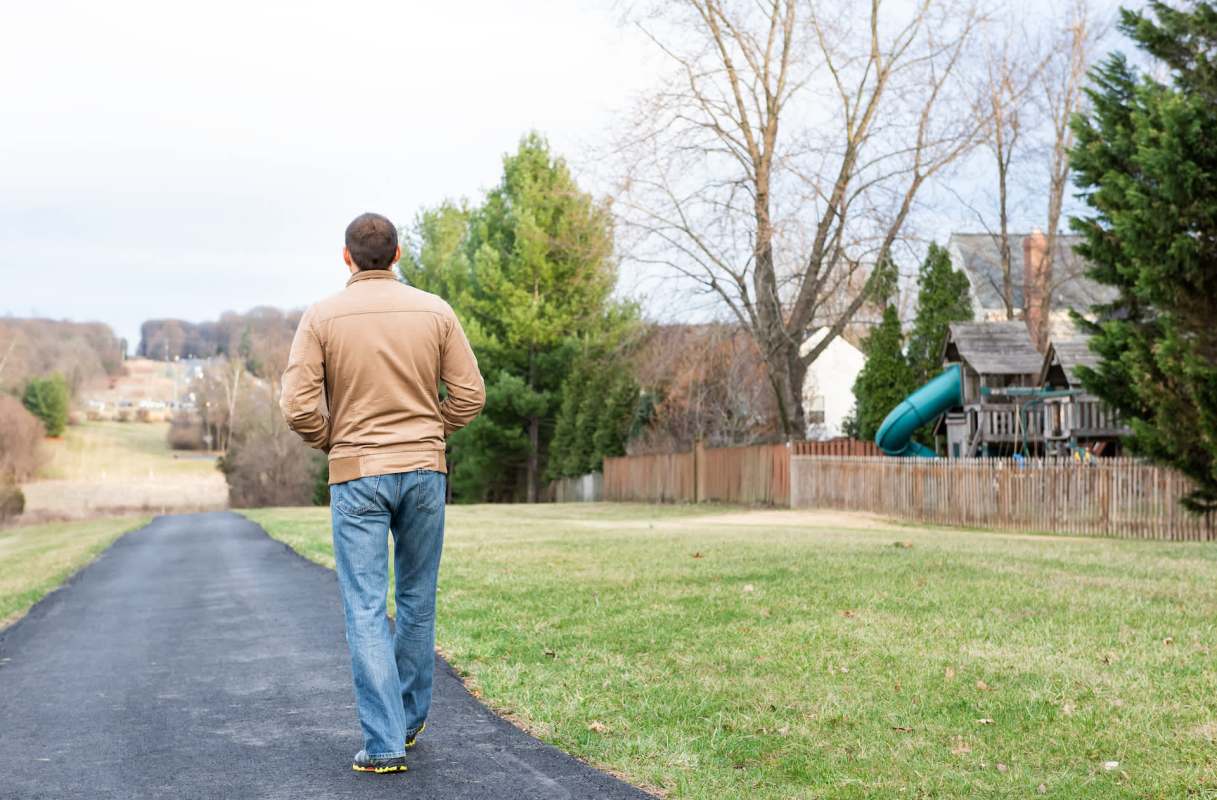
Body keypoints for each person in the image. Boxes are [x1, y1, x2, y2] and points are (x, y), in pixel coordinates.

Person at [280, 212, 485, 774]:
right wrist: (430, 432)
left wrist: (337, 441)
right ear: (397, 255)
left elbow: (298, 406)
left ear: (346, 257)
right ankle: (409, 720)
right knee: (418, 599)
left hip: (358, 473)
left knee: (366, 609)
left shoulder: (321, 316)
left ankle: (385, 742)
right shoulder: (436, 311)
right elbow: (469, 395)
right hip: (424, 470)